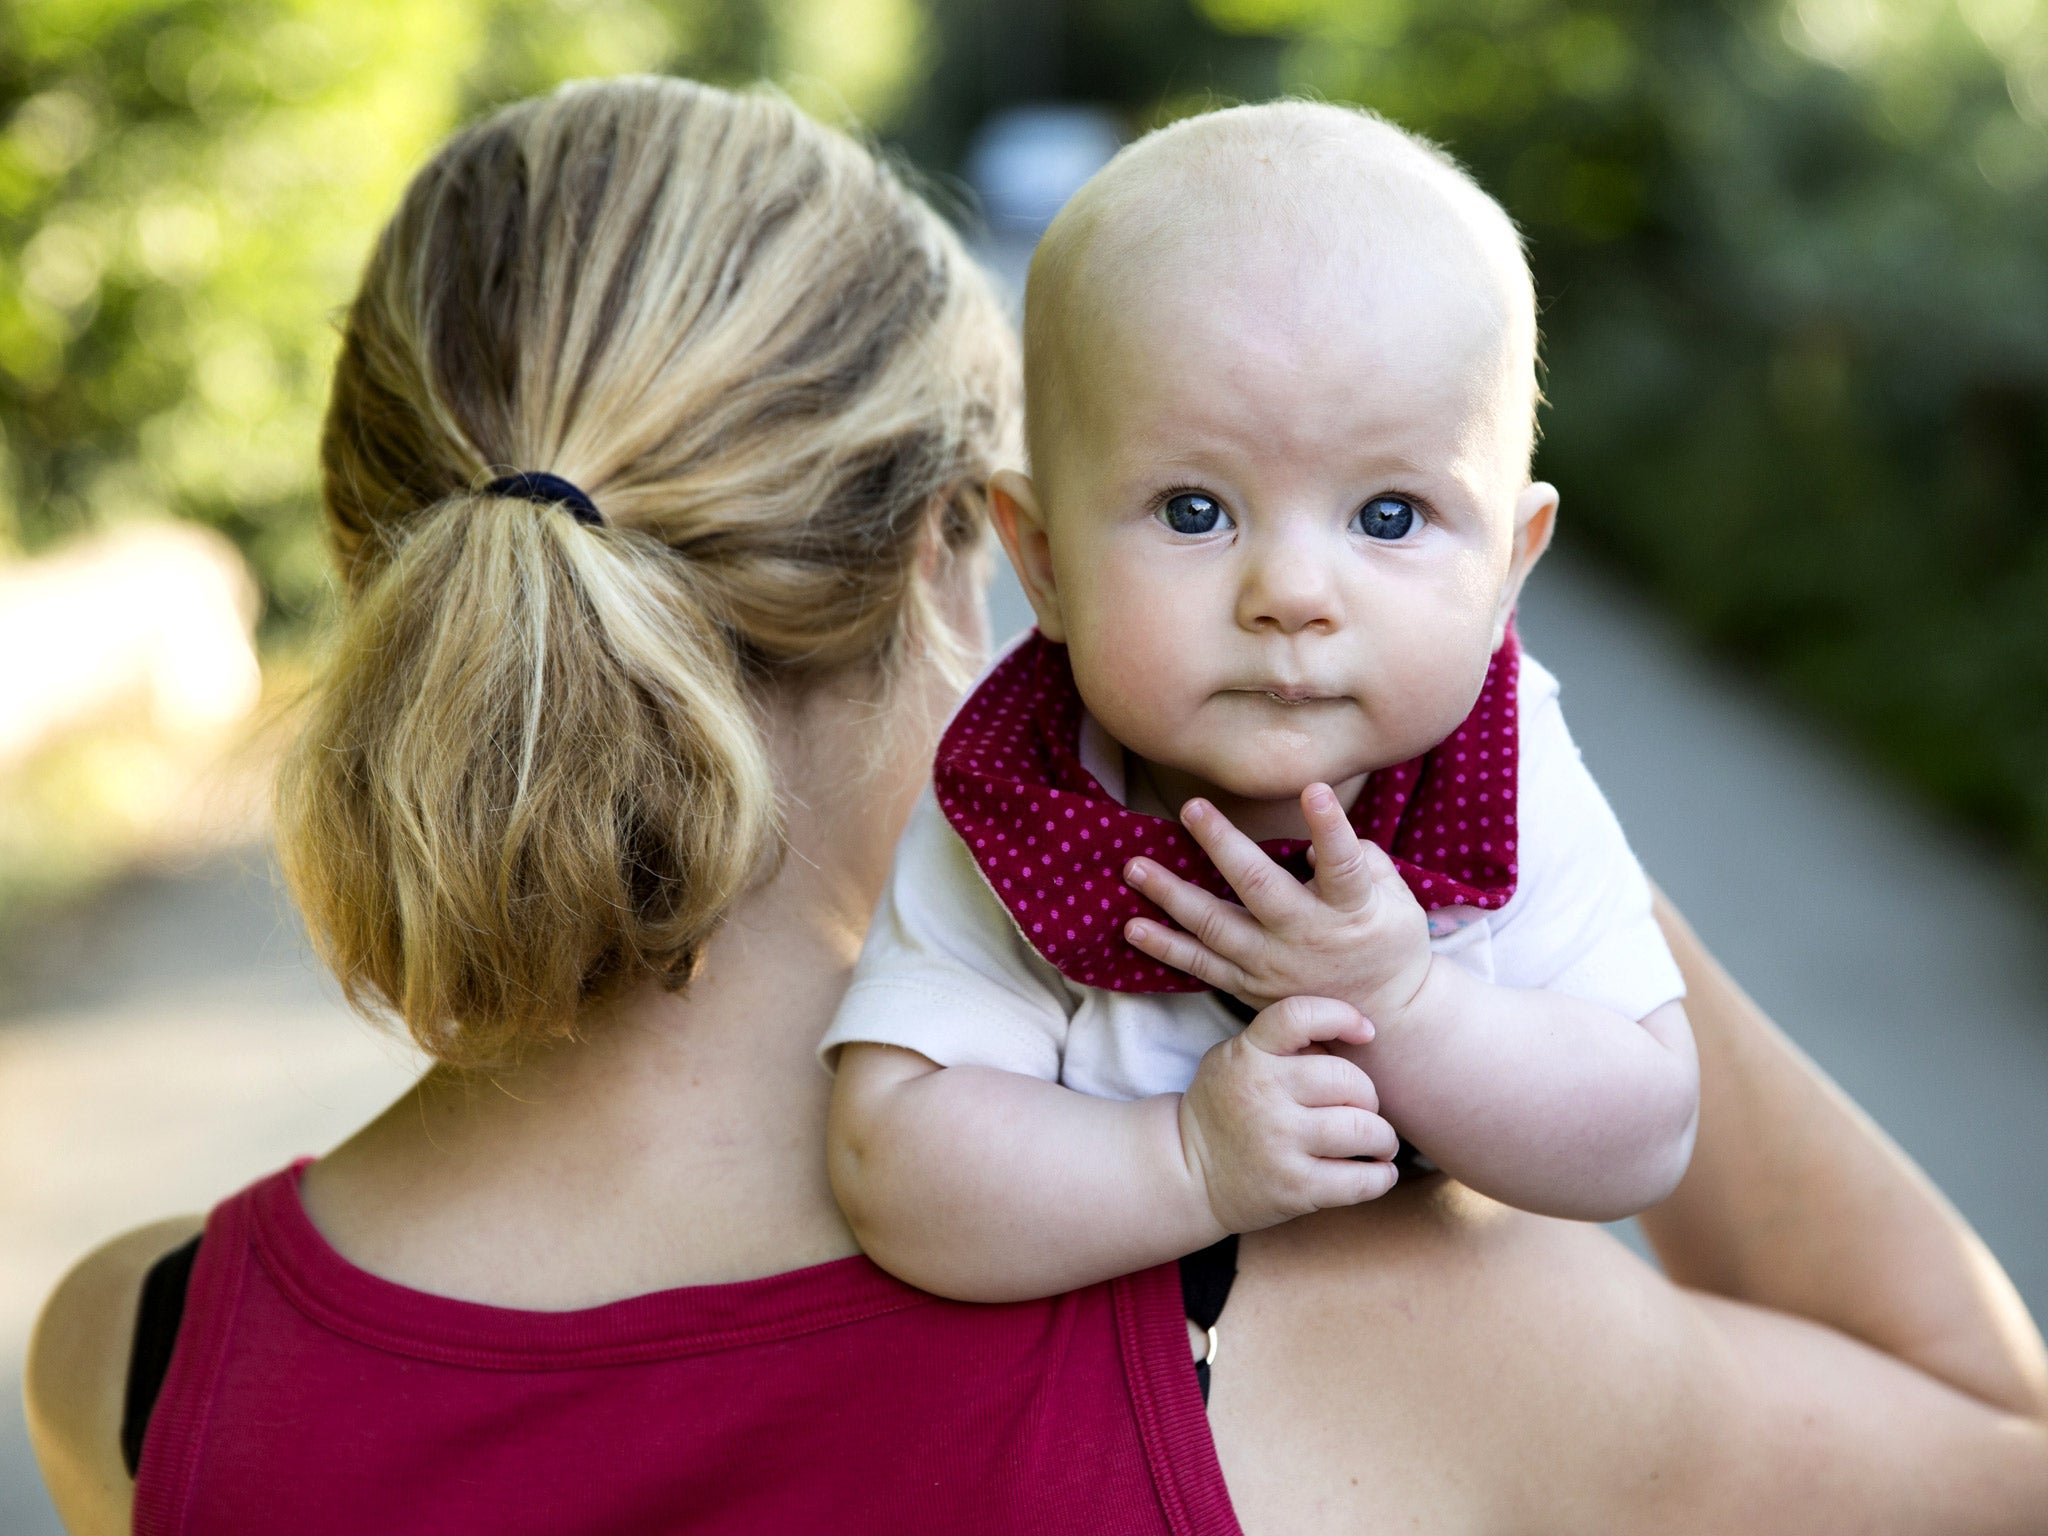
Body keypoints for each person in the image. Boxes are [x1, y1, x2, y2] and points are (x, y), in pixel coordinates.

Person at [24, 75, 2048, 1536]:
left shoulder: (144, 1360)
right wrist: (1469, 790)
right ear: (966, 564)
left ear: (384, 570)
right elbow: (1991, 1446)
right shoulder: (1375, 1324)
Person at [823, 103, 1700, 1306]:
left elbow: (1642, 1134)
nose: (1288, 594)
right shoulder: (1027, 789)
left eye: (1387, 516)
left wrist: (1404, 1001)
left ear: (1507, 566)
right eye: (1193, 510)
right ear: (1039, 560)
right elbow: (892, 1165)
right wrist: (1189, 1159)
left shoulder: (1496, 769)